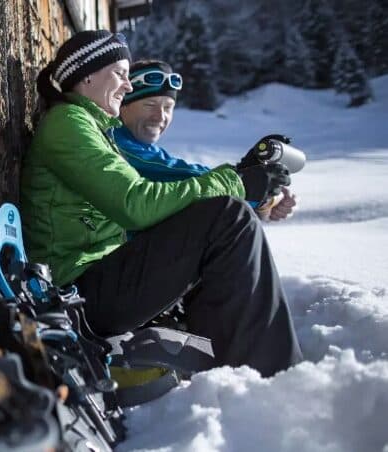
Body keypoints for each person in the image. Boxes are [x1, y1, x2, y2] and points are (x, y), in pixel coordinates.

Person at [20, 30, 302, 378]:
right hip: (75, 293)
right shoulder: (68, 125)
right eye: (121, 74)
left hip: (91, 282)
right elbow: (135, 203)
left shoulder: (90, 126)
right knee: (227, 218)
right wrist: (235, 182)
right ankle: (275, 373)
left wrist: (242, 186)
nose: (126, 87)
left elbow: (155, 194)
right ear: (88, 75)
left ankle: (233, 367)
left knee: (225, 219)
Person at [113, 59, 297, 222]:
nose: (160, 116)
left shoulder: (141, 147)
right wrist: (243, 177)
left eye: (168, 107)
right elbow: (182, 176)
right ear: (123, 106)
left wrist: (264, 202)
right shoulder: (118, 142)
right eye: (150, 105)